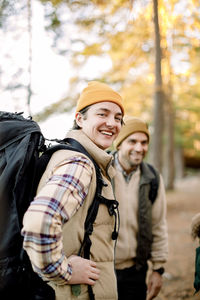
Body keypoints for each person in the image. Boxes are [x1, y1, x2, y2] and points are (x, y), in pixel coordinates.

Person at [21, 81, 124, 300]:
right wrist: (62, 271)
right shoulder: (79, 163)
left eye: (118, 117)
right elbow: (39, 221)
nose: (112, 123)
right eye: (102, 114)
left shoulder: (73, 156)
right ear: (80, 119)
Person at [112, 115, 168, 300]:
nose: (139, 148)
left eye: (144, 142)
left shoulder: (152, 178)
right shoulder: (100, 173)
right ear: (119, 144)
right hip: (102, 271)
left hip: (136, 271)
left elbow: (158, 225)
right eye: (132, 141)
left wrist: (158, 268)